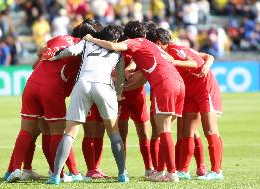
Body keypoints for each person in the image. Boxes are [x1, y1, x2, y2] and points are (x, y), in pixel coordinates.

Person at [83, 20, 197, 182]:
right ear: (143, 34)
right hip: (178, 83)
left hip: (164, 83)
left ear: (128, 35)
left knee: (163, 130)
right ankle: (160, 171)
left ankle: (171, 173)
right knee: (164, 129)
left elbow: (114, 47)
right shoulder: (152, 46)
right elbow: (158, 64)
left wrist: (91, 39)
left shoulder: (134, 42)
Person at [4, 19, 102, 183]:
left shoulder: (60, 37)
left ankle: (13, 170)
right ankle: (64, 173)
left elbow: (37, 60)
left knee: (27, 131)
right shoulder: (83, 51)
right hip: (52, 89)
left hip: (32, 84)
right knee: (59, 132)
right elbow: (70, 84)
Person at [47, 24, 128, 185]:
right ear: (117, 38)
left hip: (82, 85)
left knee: (69, 133)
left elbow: (71, 51)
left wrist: (56, 56)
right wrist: (118, 95)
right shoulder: (118, 51)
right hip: (104, 86)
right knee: (114, 133)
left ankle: (56, 176)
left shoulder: (88, 42)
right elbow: (120, 77)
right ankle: (122, 174)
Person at [154, 28, 223, 180]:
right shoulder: (171, 50)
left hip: (205, 89)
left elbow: (196, 62)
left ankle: (217, 171)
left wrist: (174, 61)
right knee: (188, 131)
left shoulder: (175, 50)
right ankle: (184, 170)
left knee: (210, 130)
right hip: (190, 92)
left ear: (158, 43)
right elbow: (206, 56)